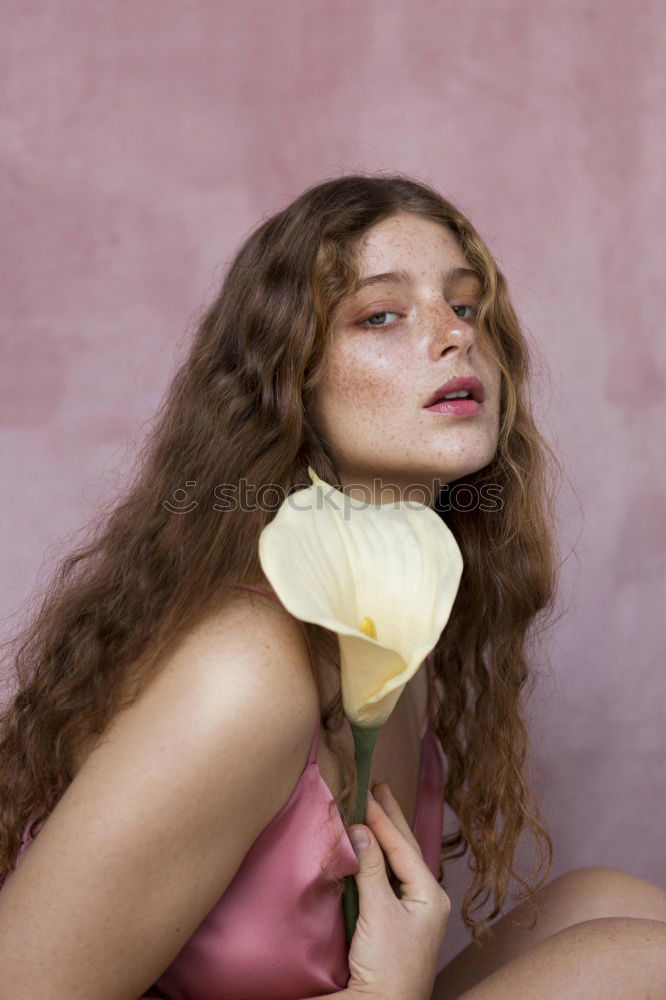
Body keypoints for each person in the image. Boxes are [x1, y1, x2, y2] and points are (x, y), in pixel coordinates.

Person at [0, 173, 664, 1000]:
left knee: (602, 904)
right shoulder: (244, 671)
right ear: (289, 387)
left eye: (467, 308)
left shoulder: (394, 619)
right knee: (635, 968)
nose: (455, 339)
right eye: (380, 315)